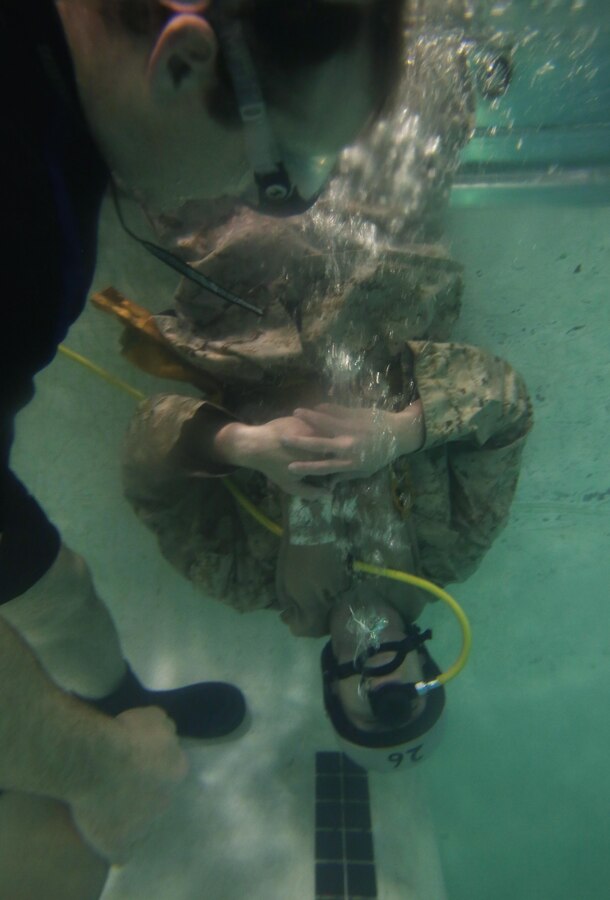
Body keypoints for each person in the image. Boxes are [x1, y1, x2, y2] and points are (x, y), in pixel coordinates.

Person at [0, 1, 407, 896]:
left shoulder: (54, 148)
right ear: (182, 64)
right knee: (63, 847)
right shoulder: (21, 219)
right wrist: (87, 766)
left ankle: (124, 703)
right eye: (279, 171)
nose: (272, 207)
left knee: (59, 590)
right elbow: (149, 456)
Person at [108, 29, 531, 771]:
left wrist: (240, 445)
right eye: (408, 689)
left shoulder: (243, 578)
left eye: (370, 700)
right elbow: (507, 407)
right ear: (429, 660)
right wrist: (402, 430)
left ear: (333, 684)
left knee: (180, 62)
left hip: (236, 284)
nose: (385, 676)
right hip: (390, 257)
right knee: (407, 46)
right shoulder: (451, 549)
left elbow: (144, 463)